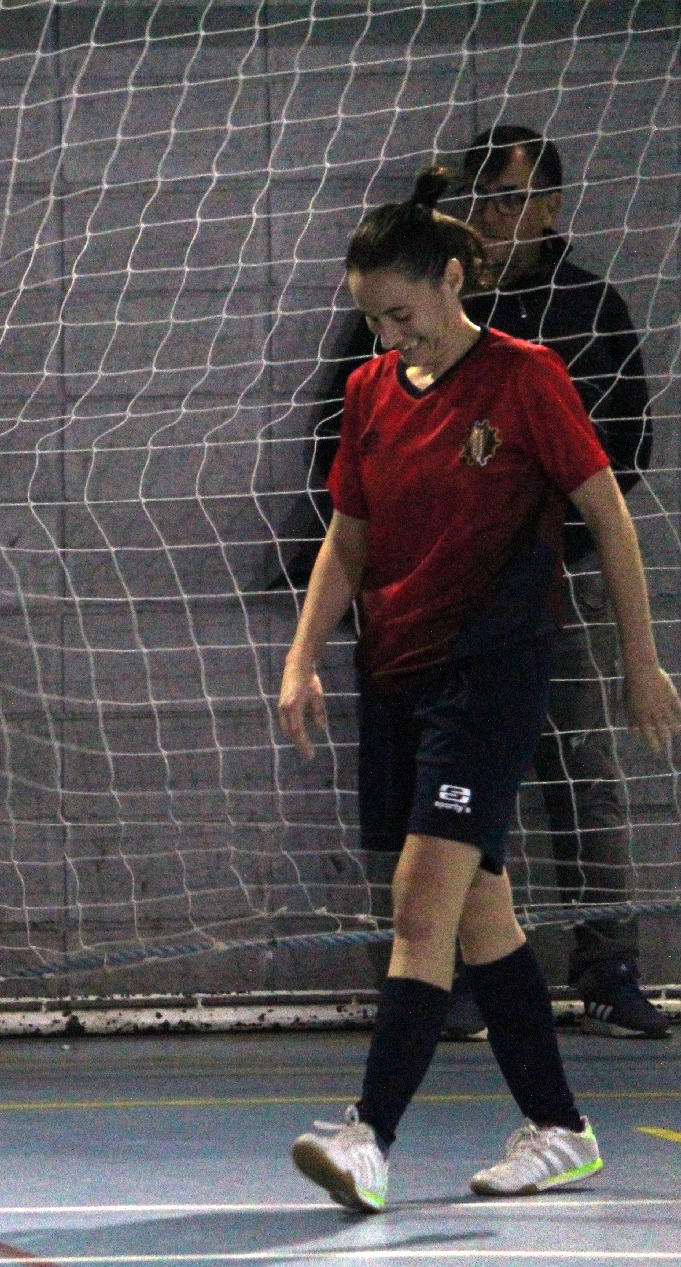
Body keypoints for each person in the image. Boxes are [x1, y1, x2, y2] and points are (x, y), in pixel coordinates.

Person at [278, 168, 681, 1213]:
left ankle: (370, 1135)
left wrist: (641, 662)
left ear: (453, 280)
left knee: (421, 903)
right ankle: (560, 1128)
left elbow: (609, 514)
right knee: (480, 919)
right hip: (396, 672)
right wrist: (301, 653)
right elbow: (349, 537)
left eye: (401, 314)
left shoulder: (524, 378)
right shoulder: (370, 392)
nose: (387, 335)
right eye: (371, 318)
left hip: (492, 671)